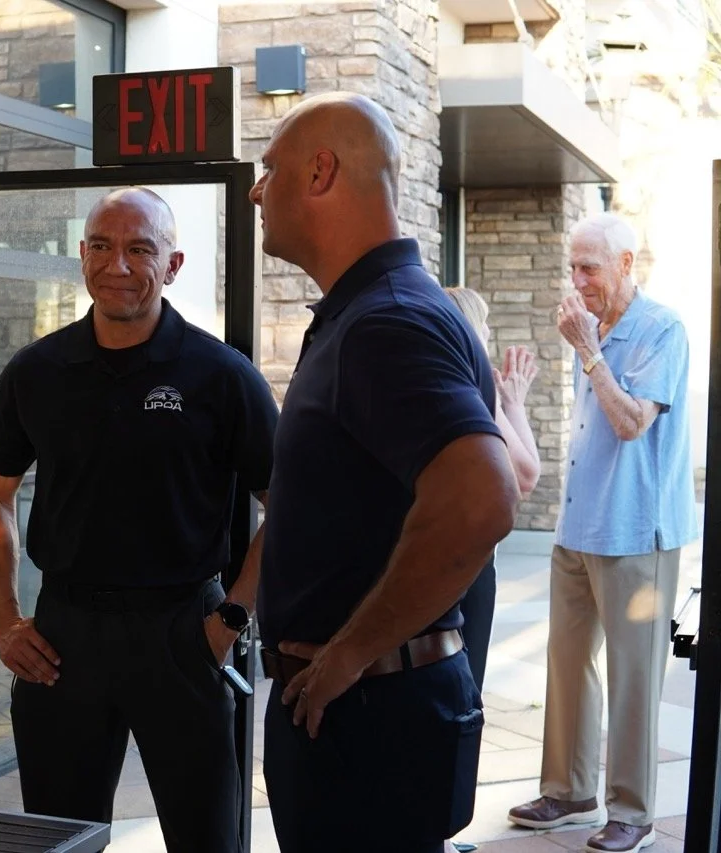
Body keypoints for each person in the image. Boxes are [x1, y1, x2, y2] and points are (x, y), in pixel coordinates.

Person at [0, 187, 278, 853]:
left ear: (173, 264)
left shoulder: (222, 376)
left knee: (208, 841)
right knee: (61, 841)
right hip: (64, 636)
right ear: (81, 255)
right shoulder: (36, 371)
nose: (118, 265)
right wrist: (4, 620)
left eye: (140, 249)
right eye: (103, 247)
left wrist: (231, 619)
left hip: (184, 633)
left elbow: (286, 507)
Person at [249, 92, 518, 853]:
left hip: (368, 721)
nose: (257, 191)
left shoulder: (387, 321)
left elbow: (481, 498)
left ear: (321, 172)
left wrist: (349, 652)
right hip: (362, 713)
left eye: (270, 169)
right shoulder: (369, 311)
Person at [506, 213, 697, 853]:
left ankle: (633, 813)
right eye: (572, 267)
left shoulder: (661, 328)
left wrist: (589, 353)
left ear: (625, 264)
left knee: (633, 676)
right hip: (578, 525)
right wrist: (589, 346)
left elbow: (631, 423)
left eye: (589, 267)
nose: (578, 279)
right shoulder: (595, 327)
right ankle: (568, 791)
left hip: (637, 532)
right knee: (567, 664)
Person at [445, 286, 541, 690]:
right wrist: (510, 405)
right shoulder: (470, 384)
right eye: (484, 323)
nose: (489, 331)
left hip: (441, 556)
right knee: (465, 687)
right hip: (466, 567)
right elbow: (525, 475)